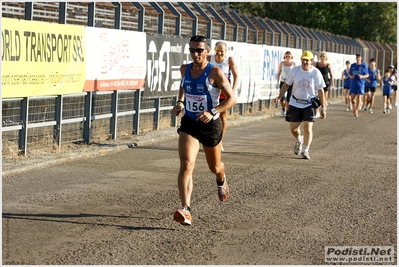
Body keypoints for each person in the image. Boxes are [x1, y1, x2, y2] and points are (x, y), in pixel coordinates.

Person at [172, 35, 237, 226]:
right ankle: (186, 209)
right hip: (190, 122)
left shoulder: (215, 72)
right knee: (186, 164)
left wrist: (213, 112)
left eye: (199, 50)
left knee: (214, 167)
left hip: (210, 124)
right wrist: (180, 103)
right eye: (192, 50)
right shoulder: (185, 69)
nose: (195, 54)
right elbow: (183, 86)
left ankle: (221, 179)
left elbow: (232, 99)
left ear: (207, 51)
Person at [274, 50, 327, 160]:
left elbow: (321, 91)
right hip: (295, 102)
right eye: (303, 59)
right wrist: (279, 96)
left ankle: (305, 150)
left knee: (308, 127)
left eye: (308, 60)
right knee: (294, 128)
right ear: (301, 60)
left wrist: (323, 107)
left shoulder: (316, 72)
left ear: (311, 61)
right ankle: (299, 139)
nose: (305, 62)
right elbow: (286, 85)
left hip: (309, 103)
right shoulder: (294, 71)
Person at [207, 41, 240, 151]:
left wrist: (233, 91)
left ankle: (220, 141)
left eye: (222, 52)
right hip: (211, 92)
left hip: (224, 93)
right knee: (209, 115)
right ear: (214, 49)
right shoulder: (209, 59)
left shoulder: (229, 60)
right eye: (217, 51)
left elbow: (236, 76)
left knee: (222, 117)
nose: (219, 54)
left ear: (226, 51)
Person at [276, 51, 296, 117]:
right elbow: (278, 73)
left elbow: (296, 74)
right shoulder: (282, 63)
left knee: (289, 97)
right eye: (286, 56)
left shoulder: (293, 64)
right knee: (281, 97)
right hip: (283, 81)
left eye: (289, 56)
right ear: (284, 56)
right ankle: (283, 109)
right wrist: (277, 82)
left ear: (291, 57)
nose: (287, 58)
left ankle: (288, 111)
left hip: (290, 82)